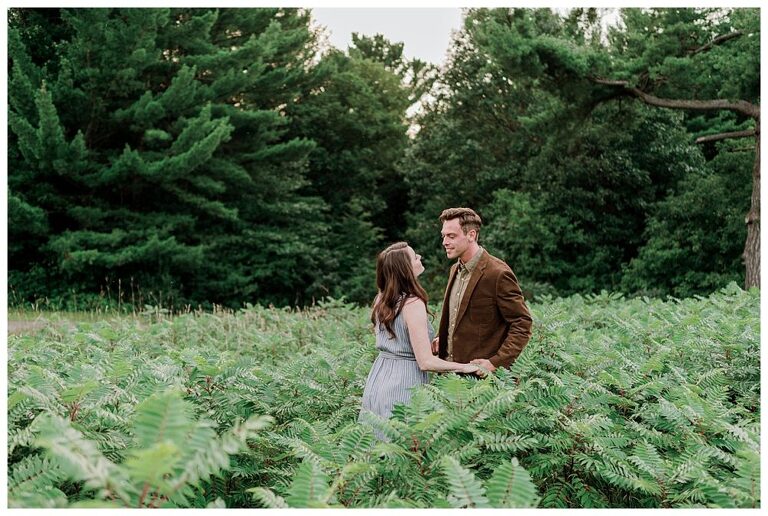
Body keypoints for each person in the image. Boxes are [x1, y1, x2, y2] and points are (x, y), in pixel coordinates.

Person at [360, 242, 480, 423]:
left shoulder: (381, 299)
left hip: (378, 379)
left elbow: (398, 341)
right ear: (405, 268)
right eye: (415, 257)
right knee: (404, 443)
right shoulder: (412, 303)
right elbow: (425, 362)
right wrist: (464, 367)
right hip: (404, 383)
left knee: (377, 443)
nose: (420, 258)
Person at [431, 208, 532, 376]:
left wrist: (496, 362)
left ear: (471, 235)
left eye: (451, 236)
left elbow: (522, 323)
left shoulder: (498, 273)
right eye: (444, 236)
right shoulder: (454, 270)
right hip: (450, 379)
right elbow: (460, 319)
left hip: (483, 384)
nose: (445, 242)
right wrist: (443, 339)